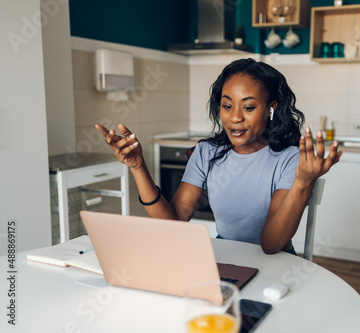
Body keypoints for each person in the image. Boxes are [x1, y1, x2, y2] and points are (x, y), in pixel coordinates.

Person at [95, 58, 342, 255]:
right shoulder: (206, 153)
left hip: (276, 263)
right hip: (225, 255)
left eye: (248, 107)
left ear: (270, 109)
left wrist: (303, 183)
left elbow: (270, 245)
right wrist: (138, 167)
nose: (235, 117)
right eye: (227, 106)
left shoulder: (288, 159)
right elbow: (173, 224)